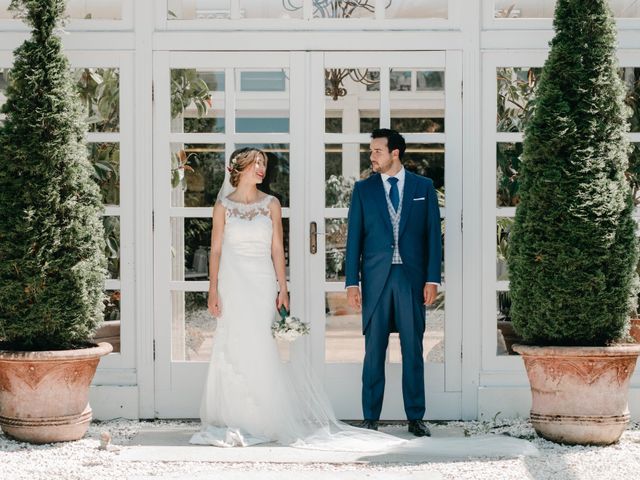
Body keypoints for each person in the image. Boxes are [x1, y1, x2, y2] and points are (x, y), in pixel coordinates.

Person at [189, 147, 403, 449]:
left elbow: (277, 248)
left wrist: (283, 287)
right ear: (240, 169)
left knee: (262, 345)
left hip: (262, 282)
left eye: (264, 163)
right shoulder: (223, 207)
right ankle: (235, 414)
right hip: (232, 283)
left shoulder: (271, 204)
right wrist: (212, 289)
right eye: (256, 163)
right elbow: (216, 250)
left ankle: (264, 417)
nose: (262, 168)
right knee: (233, 342)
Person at [345, 128, 442, 437]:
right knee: (374, 350)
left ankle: (416, 417)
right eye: (371, 151)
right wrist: (351, 283)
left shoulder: (423, 187)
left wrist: (431, 278)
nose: (372, 156)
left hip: (411, 279)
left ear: (394, 153)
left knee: (413, 349)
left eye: (377, 151)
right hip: (375, 280)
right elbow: (353, 241)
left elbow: (432, 238)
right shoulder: (363, 190)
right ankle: (370, 417)